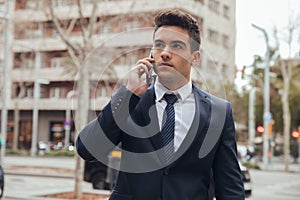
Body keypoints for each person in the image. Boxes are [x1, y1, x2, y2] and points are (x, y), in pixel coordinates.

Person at [76, 9, 245, 200]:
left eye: (177, 46)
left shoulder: (219, 112)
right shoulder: (131, 102)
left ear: (195, 57)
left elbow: (230, 188)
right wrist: (127, 94)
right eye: (159, 45)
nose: (165, 53)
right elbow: (87, 149)